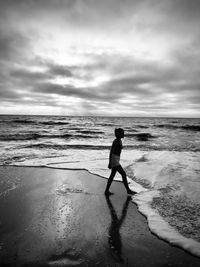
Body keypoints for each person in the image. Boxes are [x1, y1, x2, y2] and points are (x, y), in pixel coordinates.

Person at [105, 128, 135, 195]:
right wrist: (110, 162)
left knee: (112, 175)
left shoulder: (119, 141)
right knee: (123, 174)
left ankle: (106, 191)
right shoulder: (115, 141)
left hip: (116, 159)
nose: (123, 134)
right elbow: (111, 152)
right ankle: (128, 190)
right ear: (118, 134)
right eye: (122, 133)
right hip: (114, 160)